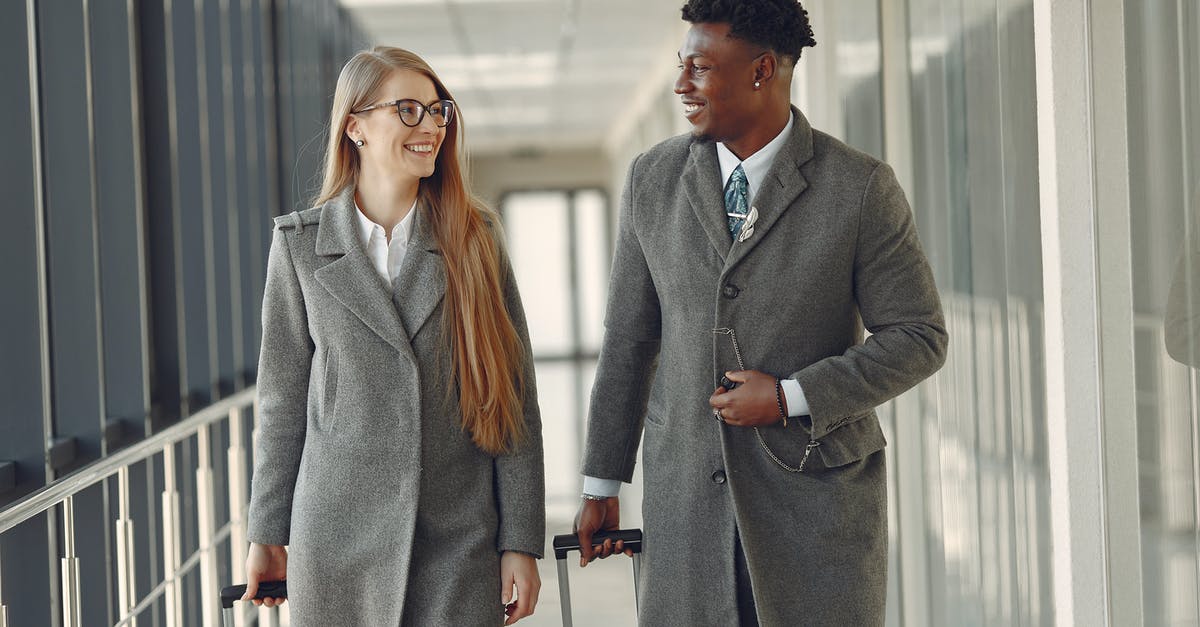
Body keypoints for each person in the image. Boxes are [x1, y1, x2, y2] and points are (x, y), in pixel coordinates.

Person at [573, 1, 948, 625]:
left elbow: (918, 336)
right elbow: (629, 342)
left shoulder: (858, 187)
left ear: (761, 70)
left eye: (699, 67)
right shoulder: (652, 180)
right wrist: (602, 482)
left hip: (815, 508)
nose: (680, 85)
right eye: (680, 65)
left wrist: (790, 396)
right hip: (687, 504)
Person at [242, 46, 544, 626]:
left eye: (438, 111)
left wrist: (520, 539)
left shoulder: (474, 239)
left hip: (458, 537)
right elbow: (281, 405)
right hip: (335, 542)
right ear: (354, 125)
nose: (430, 125)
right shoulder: (300, 246)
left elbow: (515, 403)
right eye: (408, 110)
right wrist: (267, 532)